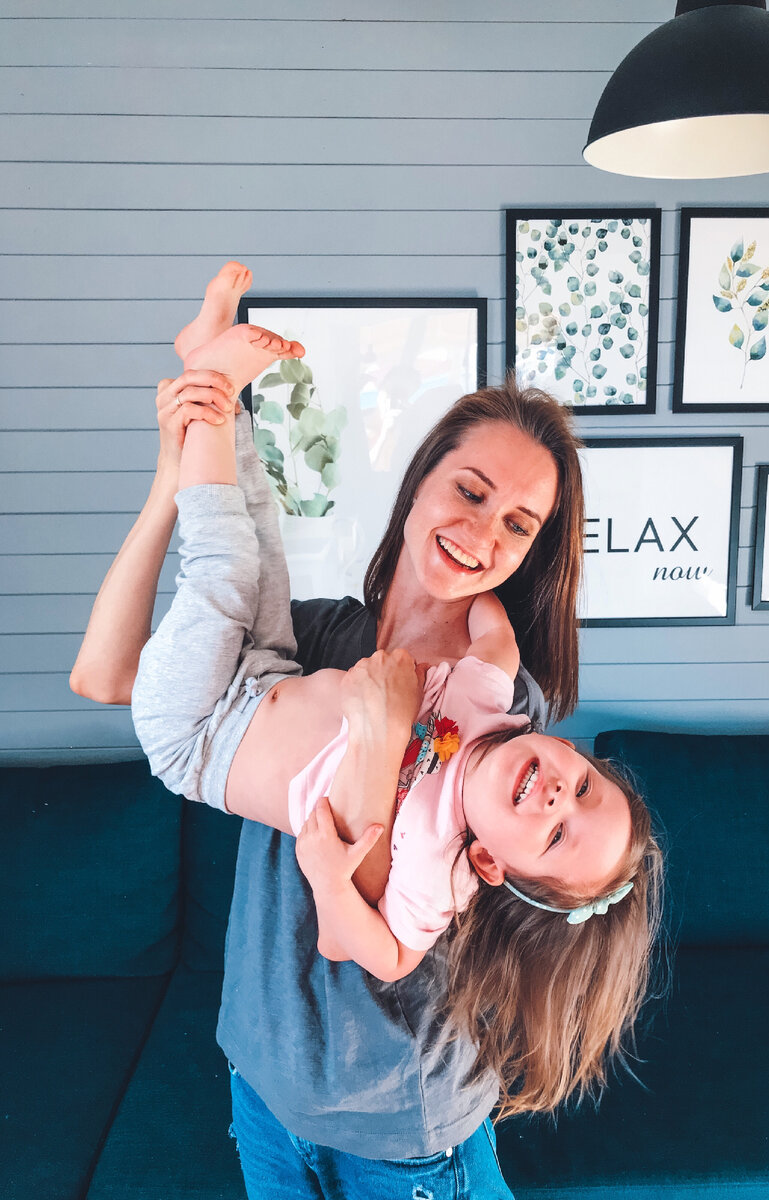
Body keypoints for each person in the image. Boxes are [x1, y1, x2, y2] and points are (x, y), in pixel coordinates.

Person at [70, 264, 662, 1200]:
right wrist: (175, 468)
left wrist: (384, 741)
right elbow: (104, 676)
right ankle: (214, 389)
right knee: (243, 550)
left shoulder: (510, 730)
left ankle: (214, 388)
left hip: (401, 1127)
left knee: (231, 566)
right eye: (470, 490)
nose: (485, 534)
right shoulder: (332, 636)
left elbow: (370, 887)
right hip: (263, 1087)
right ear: (419, 480)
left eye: (519, 525)